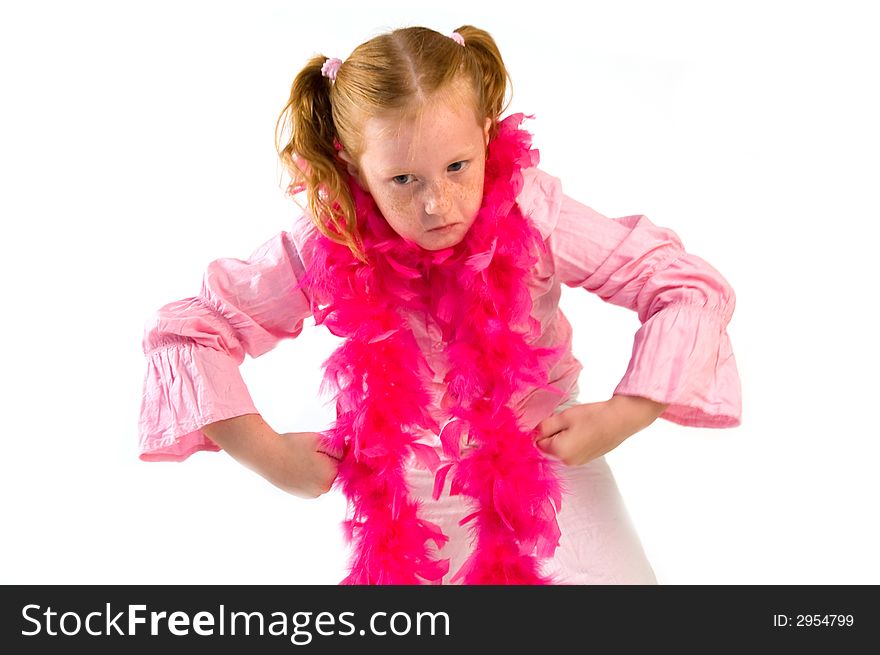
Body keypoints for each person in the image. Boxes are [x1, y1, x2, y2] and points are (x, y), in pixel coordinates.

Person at [138, 25, 742, 585]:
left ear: (485, 134)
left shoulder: (533, 215)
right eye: (403, 180)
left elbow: (685, 286)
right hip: (405, 495)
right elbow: (188, 333)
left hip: (547, 461)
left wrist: (625, 413)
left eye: (457, 166)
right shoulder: (331, 239)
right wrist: (268, 456)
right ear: (353, 165)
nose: (438, 204)